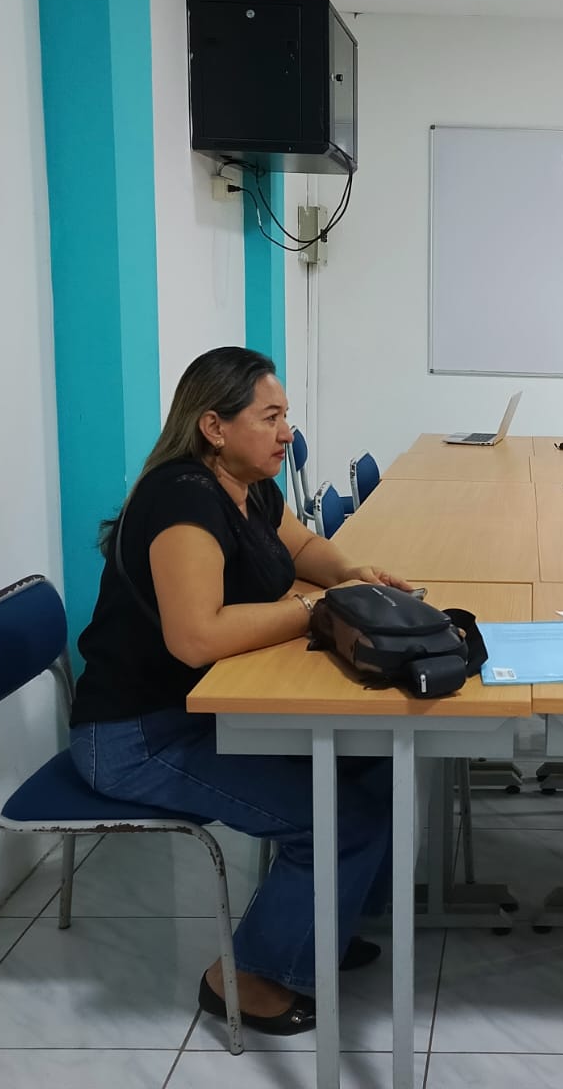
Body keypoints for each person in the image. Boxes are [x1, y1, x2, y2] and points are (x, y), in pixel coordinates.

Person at [68, 346, 410, 1035]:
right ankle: (245, 977)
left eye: (287, 416)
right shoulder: (183, 502)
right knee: (339, 818)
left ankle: (322, 925)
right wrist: (316, 610)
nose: (287, 432)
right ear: (214, 427)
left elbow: (302, 548)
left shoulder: (248, 486)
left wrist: (351, 574)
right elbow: (196, 639)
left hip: (206, 709)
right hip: (136, 736)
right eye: (271, 417)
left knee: (373, 759)